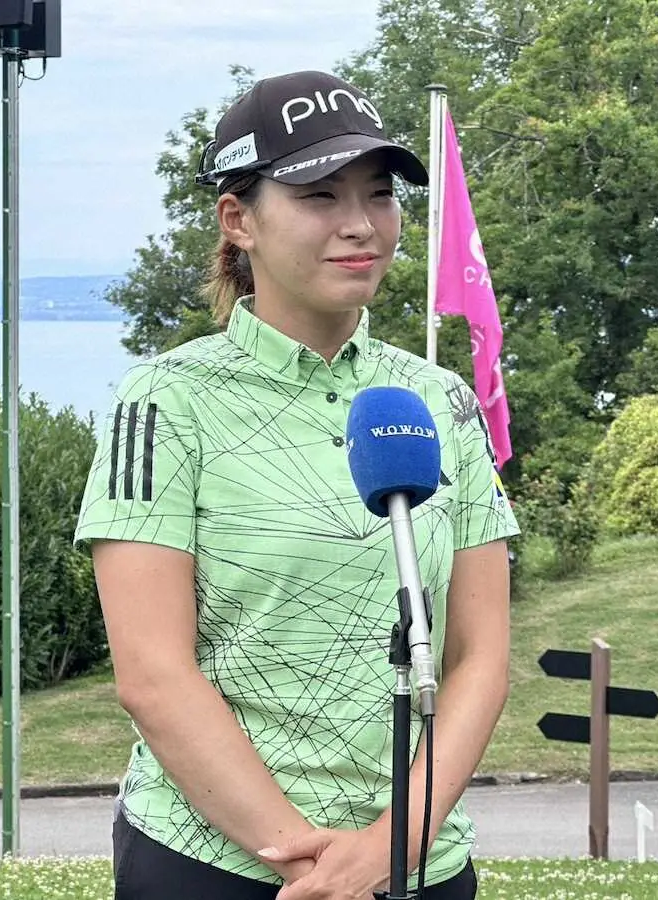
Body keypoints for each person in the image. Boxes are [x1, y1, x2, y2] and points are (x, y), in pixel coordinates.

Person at [74, 69, 519, 900]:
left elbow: (479, 658)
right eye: (320, 196)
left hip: (419, 867)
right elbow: (153, 676)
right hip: (216, 868)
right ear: (238, 220)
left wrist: (393, 845)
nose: (361, 224)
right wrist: (313, 867)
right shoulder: (165, 402)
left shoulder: (442, 400)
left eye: (379, 194)